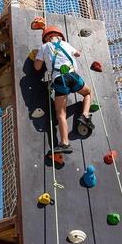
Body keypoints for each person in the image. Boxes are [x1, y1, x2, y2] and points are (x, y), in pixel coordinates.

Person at [33, 24, 94, 153]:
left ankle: (65, 143)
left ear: (46, 39)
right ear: (60, 36)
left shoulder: (44, 47)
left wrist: (38, 58)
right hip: (73, 76)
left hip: (59, 79)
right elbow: (78, 54)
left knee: (61, 113)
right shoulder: (66, 44)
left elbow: (37, 67)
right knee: (87, 93)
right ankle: (84, 115)